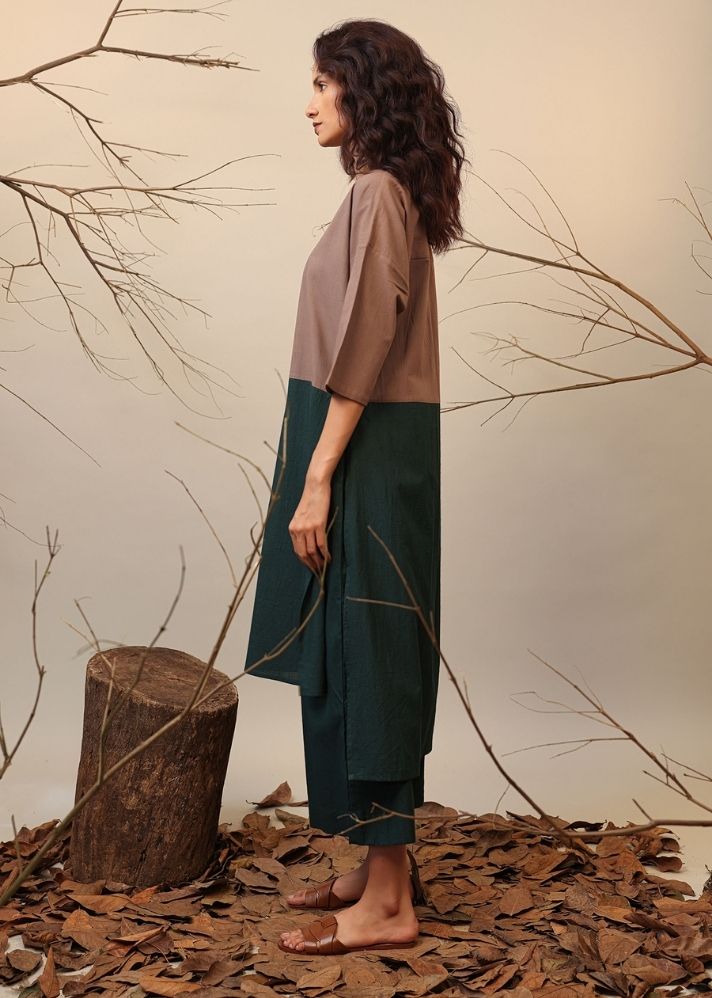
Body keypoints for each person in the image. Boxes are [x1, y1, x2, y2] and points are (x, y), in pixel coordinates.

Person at [243, 18, 467, 956]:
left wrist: (318, 477)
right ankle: (381, 872)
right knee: (360, 647)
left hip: (364, 450)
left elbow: (367, 341)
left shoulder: (376, 193)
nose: (308, 103)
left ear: (361, 91)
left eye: (321, 83)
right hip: (370, 444)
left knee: (369, 656)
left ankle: (388, 907)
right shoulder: (384, 193)